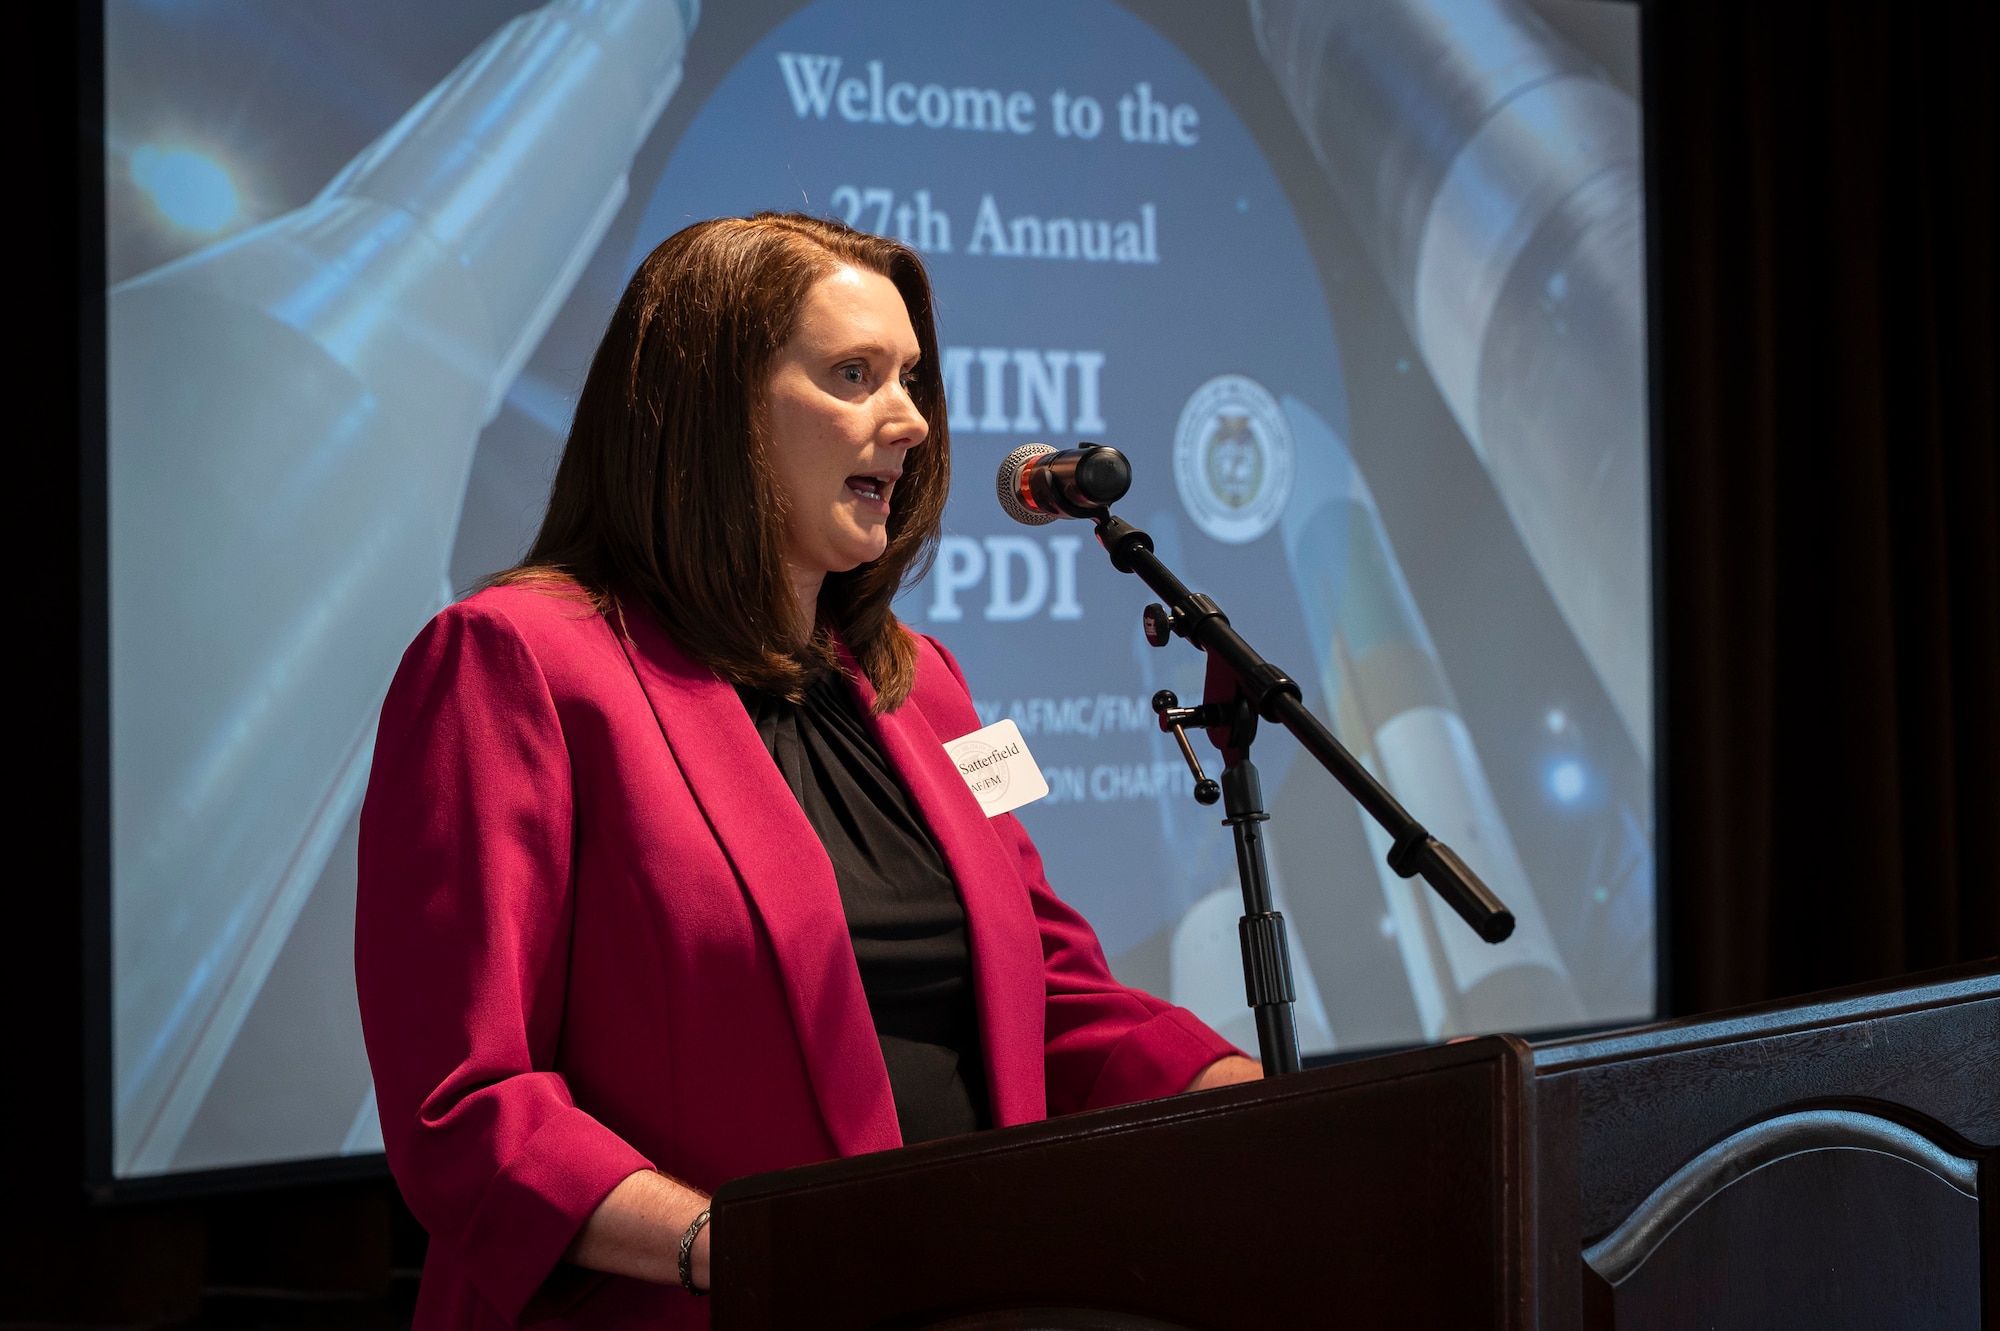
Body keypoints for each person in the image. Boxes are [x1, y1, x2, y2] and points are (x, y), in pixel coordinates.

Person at [354, 213, 1259, 1330]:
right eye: (853, 374)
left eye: (912, 379)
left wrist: (1274, 1117)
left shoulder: (927, 685)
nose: (912, 421)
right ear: (712, 408)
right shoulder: (516, 662)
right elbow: (470, 1103)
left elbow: (1055, 998)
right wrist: (731, 1249)